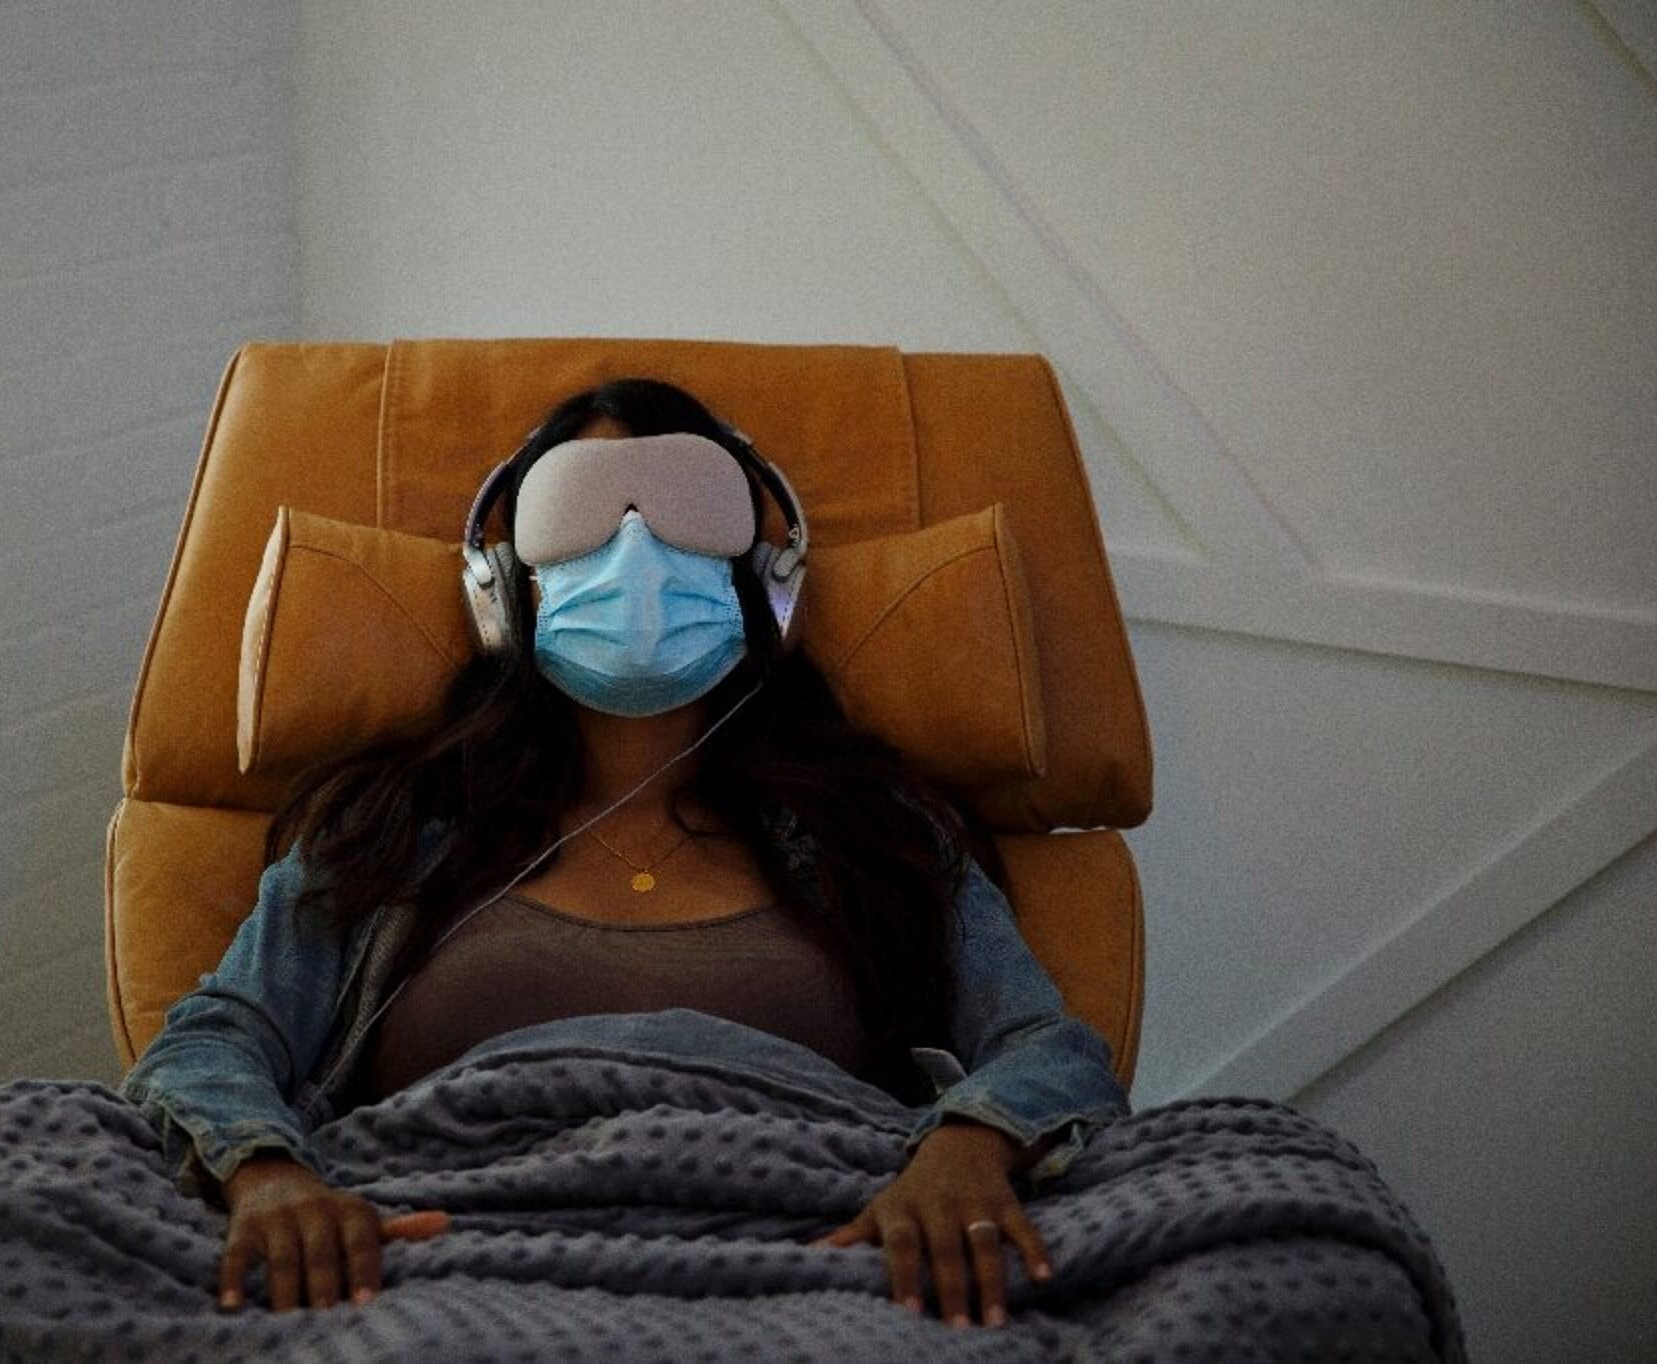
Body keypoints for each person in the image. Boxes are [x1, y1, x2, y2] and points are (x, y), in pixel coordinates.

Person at [121, 378, 1128, 1334]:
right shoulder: (393, 825)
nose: (636, 557)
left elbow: (1046, 1048)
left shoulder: (877, 829)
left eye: (685, 516)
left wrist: (968, 1149)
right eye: (583, 519)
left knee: (1222, 1187)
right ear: (502, 589)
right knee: (26, 1169)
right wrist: (266, 1174)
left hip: (809, 1249)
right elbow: (210, 1041)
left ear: (766, 582)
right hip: (447, 1250)